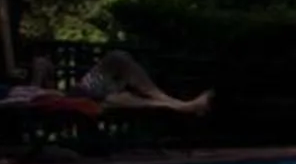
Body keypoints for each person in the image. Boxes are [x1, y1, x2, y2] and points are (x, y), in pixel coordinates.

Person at [76, 48, 213, 116]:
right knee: (132, 99)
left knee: (118, 57)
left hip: (95, 91)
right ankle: (183, 106)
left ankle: (180, 104)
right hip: (87, 94)